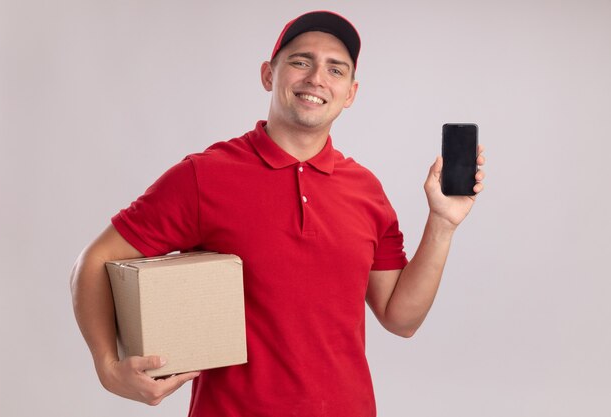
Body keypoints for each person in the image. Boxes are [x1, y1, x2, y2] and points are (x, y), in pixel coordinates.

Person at [70, 10, 485, 417]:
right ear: (269, 74)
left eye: (335, 69)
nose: (316, 78)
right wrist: (108, 368)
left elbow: (401, 319)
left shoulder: (366, 191)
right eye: (301, 61)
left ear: (351, 93)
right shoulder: (204, 177)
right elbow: (93, 262)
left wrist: (443, 224)